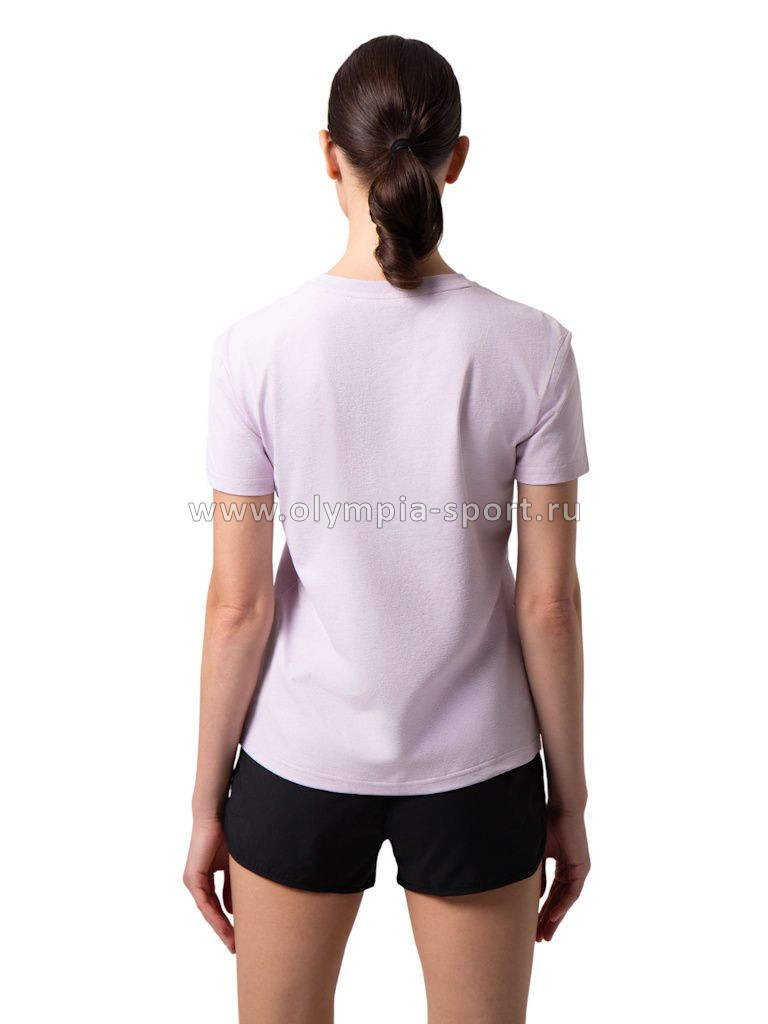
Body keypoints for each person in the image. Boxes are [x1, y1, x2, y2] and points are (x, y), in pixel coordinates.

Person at [184, 33, 591, 1024]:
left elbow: (239, 607)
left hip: (297, 761)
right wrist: (570, 800)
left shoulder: (254, 351)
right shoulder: (534, 349)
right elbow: (548, 603)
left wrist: (205, 804)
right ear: (457, 159)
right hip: (481, 766)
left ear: (330, 154)